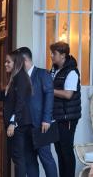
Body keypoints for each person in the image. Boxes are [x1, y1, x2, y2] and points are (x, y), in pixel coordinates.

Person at [17, 47, 57, 177]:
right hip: (24, 126)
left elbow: (49, 96)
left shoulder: (42, 74)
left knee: (46, 159)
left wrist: (47, 119)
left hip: (40, 125)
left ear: (25, 61)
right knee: (30, 160)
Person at [50, 41, 81, 177]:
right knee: (59, 151)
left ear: (63, 55)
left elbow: (68, 94)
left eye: (54, 53)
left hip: (67, 118)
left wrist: (50, 90)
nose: (51, 56)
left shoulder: (72, 71)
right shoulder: (55, 69)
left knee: (66, 152)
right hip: (57, 117)